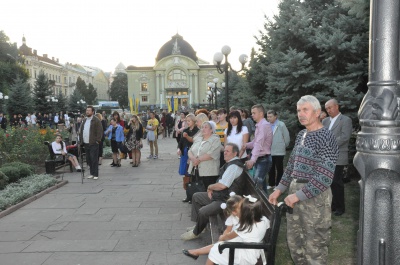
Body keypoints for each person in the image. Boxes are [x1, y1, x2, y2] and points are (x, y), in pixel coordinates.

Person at [269, 95, 338, 265]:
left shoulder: (326, 137)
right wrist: (279, 189)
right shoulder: (301, 135)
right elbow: (291, 165)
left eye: (305, 110)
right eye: (299, 110)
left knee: (315, 245)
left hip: (315, 198)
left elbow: (324, 176)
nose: (301, 114)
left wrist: (298, 195)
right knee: (295, 243)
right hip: (294, 193)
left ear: (317, 112)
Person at [181, 143, 244, 241]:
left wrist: (210, 187)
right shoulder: (230, 163)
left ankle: (196, 233)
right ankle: (200, 226)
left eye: (228, 151)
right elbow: (221, 184)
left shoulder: (234, 167)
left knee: (203, 212)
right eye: (225, 151)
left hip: (226, 200)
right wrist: (212, 190)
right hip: (220, 195)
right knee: (196, 196)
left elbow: (223, 185)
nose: (225, 153)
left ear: (235, 153)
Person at [207, 196, 270, 265]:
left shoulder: (244, 227)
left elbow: (227, 237)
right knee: (223, 246)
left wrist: (221, 237)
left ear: (246, 213)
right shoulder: (264, 219)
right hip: (255, 250)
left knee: (215, 250)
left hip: (246, 257)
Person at [182, 194, 243, 260]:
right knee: (215, 249)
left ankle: (196, 252)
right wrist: (222, 238)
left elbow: (233, 234)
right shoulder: (232, 218)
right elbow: (228, 230)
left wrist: (224, 238)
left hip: (239, 243)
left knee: (215, 251)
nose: (244, 208)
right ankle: (196, 252)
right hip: (234, 240)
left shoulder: (246, 218)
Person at [322, 99, 352, 216]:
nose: (328, 110)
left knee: (336, 181)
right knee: (329, 182)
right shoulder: (325, 121)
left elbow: (345, 137)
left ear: (337, 106)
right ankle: (333, 205)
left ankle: (340, 207)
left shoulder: (345, 120)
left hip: (338, 156)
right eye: (327, 108)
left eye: (330, 107)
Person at [245, 104, 273, 193]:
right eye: (251, 113)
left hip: (263, 160)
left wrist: (252, 160)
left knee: (257, 186)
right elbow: (255, 142)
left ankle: (262, 206)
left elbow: (258, 144)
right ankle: (266, 205)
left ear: (261, 114)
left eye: (254, 113)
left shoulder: (263, 126)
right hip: (260, 159)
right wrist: (246, 145)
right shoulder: (260, 125)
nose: (252, 115)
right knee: (262, 187)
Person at [187, 121, 221, 189]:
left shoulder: (215, 140)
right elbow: (190, 150)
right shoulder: (198, 139)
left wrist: (198, 160)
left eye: (206, 127)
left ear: (211, 130)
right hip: (195, 169)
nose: (203, 129)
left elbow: (212, 154)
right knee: (195, 188)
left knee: (206, 190)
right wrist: (193, 158)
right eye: (202, 127)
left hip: (209, 171)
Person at [178, 114, 200, 202]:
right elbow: (181, 141)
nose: (187, 122)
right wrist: (179, 148)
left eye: (189, 121)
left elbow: (195, 142)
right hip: (185, 153)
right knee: (186, 174)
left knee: (192, 175)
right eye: (186, 121)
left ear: (194, 121)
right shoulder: (185, 130)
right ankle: (188, 195)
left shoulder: (197, 131)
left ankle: (192, 196)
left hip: (193, 154)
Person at [266, 110, 290, 189]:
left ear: (275, 116)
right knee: (270, 167)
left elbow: (286, 137)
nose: (269, 118)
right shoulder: (267, 125)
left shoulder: (281, 125)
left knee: (279, 168)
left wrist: (284, 145)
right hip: (269, 150)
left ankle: (278, 184)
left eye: (270, 116)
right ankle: (271, 183)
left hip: (279, 150)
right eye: (268, 117)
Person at [78, 106, 103, 180]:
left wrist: (97, 140)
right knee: (88, 159)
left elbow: (99, 131)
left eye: (89, 110)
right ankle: (91, 173)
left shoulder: (96, 120)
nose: (87, 112)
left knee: (94, 158)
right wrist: (81, 140)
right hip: (86, 142)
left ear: (92, 112)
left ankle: (95, 174)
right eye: (86, 110)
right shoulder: (84, 120)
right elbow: (82, 130)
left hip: (93, 142)